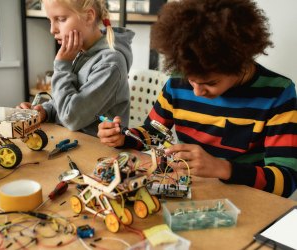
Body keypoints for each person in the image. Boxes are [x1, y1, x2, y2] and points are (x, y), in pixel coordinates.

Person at [97, 0, 297, 197]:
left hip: (247, 202)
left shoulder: (278, 94)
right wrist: (124, 137)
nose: (197, 92)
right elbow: (154, 133)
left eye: (210, 83)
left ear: (240, 63)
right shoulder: (177, 81)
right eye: (191, 81)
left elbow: (286, 180)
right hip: (191, 193)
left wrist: (223, 168)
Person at [18, 0, 134, 136]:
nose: (52, 29)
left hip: (98, 152)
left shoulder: (110, 64)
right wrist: (44, 111)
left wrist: (62, 65)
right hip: (74, 142)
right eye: (50, 21)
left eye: (60, 19)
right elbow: (65, 100)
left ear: (89, 16)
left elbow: (71, 118)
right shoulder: (80, 52)